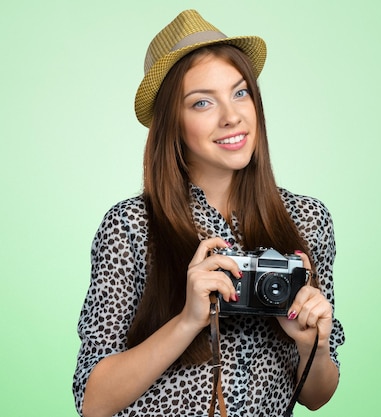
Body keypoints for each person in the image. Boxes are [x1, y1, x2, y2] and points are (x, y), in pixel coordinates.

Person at [72, 9, 344, 417]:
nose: (231, 116)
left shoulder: (306, 219)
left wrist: (313, 344)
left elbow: (316, 396)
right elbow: (92, 402)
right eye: (202, 102)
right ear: (173, 124)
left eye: (240, 92)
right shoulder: (130, 227)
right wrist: (188, 320)